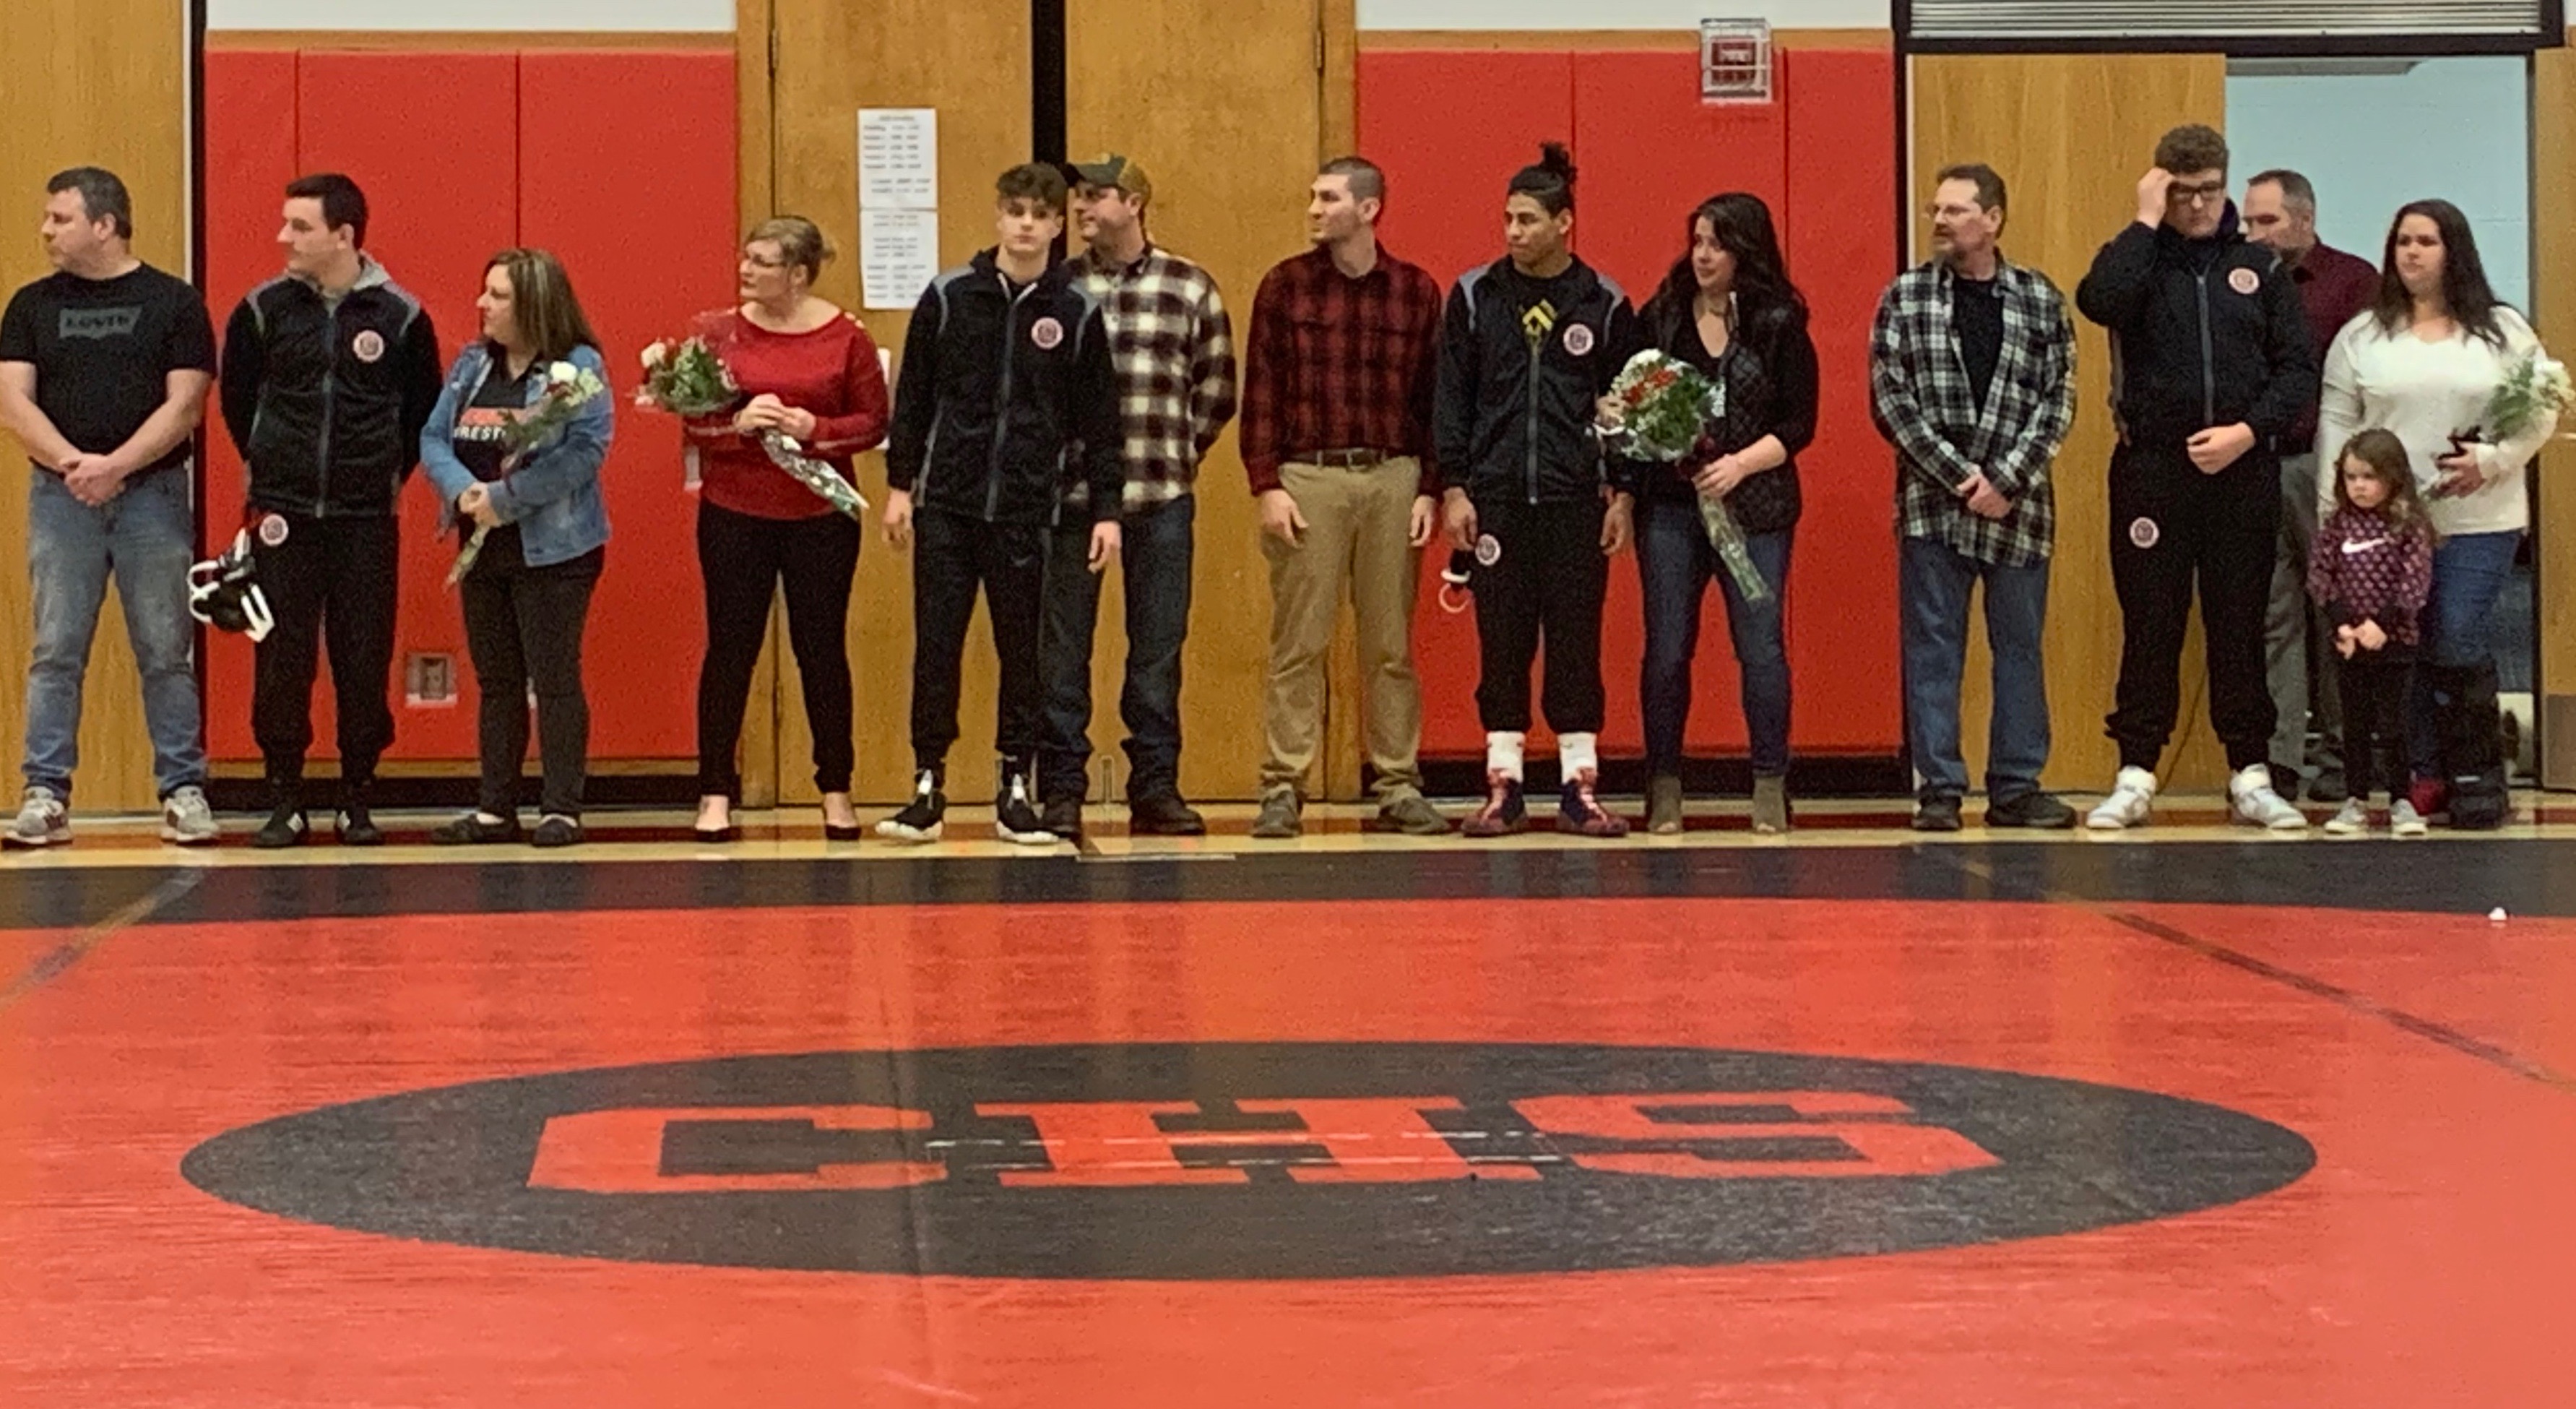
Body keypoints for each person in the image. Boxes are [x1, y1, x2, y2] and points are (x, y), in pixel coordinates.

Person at [2073, 125, 2316, 832]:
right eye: (2184, 194)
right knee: (2149, 622)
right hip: (2151, 468)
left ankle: (2249, 772)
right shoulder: (2134, 260)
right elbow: (2097, 302)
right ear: (2162, 189)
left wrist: (2246, 433)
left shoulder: (2259, 269)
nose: (2200, 205)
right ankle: (2135, 772)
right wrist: (2143, 222)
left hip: (2241, 469)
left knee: (2238, 623)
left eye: (2211, 190)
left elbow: (2295, 368)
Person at [881, 163, 1121, 845]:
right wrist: (902, 487)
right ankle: (927, 783)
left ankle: (1015, 785)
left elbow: (1100, 420)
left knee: (1023, 652)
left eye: (1039, 215)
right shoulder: (951, 295)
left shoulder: (1076, 310)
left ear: (1056, 225)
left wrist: (1107, 508)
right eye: (1014, 211)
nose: (1025, 225)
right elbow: (916, 398)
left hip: (1025, 508)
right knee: (937, 645)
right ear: (997, 216)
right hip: (948, 505)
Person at [2315, 199, 2557, 831]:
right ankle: (2421, 776)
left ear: (2455, 250)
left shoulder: (2502, 330)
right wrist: (2331, 512)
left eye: (2426, 241)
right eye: (2402, 242)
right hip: (2386, 527)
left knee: (2454, 635)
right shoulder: (2364, 336)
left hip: (2480, 517)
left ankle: (2477, 772)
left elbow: (2543, 406)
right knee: (2402, 646)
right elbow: (2337, 425)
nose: (2412, 253)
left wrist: (2496, 458)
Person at [219, 173, 441, 848]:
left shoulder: (401, 316)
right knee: (281, 657)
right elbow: (237, 404)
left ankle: (357, 795)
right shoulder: (262, 310)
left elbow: (420, 414)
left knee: (363, 655)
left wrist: (374, 479)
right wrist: (275, 468)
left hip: (365, 518)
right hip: (282, 516)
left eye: (301, 226)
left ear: (344, 236)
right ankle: (284, 796)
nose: (284, 237)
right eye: (285, 223)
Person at [0, 168, 217, 848]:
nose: (46, 230)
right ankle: (45, 795)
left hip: (151, 497)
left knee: (165, 649)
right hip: (62, 499)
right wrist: (75, 465)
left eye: (60, 218)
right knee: (56, 650)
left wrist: (117, 466)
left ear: (105, 223)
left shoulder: (174, 303)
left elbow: (185, 405)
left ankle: (183, 791)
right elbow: (13, 402)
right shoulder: (30, 306)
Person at [1239, 155, 1448, 840]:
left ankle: (1397, 780)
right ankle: (1282, 785)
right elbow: (1262, 395)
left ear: (1369, 209)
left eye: (1328, 198)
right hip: (1309, 478)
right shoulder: (1285, 287)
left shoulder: (1416, 291)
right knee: (1299, 641)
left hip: (1392, 476)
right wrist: (1267, 483)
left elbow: (1433, 399)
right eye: (1313, 197)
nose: (1314, 208)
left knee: (1389, 643)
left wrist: (1429, 486)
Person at [1436, 142, 1640, 839]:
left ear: (1564, 224)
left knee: (1576, 643)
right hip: (1494, 501)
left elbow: (1628, 410)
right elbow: (1451, 401)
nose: (1513, 233)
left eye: (1527, 220)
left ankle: (1580, 789)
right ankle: (1504, 786)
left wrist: (1623, 495)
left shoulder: (1605, 303)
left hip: (1576, 501)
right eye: (1507, 220)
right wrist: (1455, 488)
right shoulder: (1474, 296)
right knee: (1502, 645)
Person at [1871, 163, 2078, 832]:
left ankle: (2016, 785)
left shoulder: (2041, 300)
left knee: (2019, 647)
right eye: (1936, 209)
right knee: (1934, 648)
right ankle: (1939, 788)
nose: (1940, 220)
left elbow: (2059, 400)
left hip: (2020, 510)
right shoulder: (1904, 299)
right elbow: (1891, 403)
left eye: (1957, 210)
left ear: (1993, 219)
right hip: (1936, 506)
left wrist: (2006, 481)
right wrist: (1963, 479)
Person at [1042, 154, 1237, 840]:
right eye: (1080, 198)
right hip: (1073, 498)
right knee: (1063, 649)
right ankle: (1061, 788)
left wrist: (1178, 451)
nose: (1082, 209)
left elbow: (1216, 390)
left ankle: (1154, 786)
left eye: (1096, 196)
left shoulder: (1188, 286)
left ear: (1135, 202)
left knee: (1157, 648)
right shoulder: (1060, 287)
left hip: (1161, 493)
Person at [681, 217, 889, 843]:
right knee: (730, 650)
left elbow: (873, 424)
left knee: (820, 651)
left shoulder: (846, 337)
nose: (746, 271)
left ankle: (836, 789)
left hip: (818, 518)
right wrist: (738, 422)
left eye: (763, 262)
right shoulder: (716, 333)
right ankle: (715, 791)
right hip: (735, 512)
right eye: (745, 258)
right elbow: (694, 424)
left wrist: (813, 430)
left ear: (797, 274)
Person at [1628, 191, 1816, 835]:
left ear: (1747, 250)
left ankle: (1769, 783)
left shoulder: (1779, 320)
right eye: (1698, 241)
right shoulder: (1662, 315)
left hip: (1756, 509)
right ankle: (1664, 784)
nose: (1703, 255)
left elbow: (1800, 421)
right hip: (1673, 509)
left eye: (1717, 244)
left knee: (1760, 646)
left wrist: (1738, 464)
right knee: (1667, 648)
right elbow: (1631, 394)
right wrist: (1626, 422)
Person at [418, 249, 613, 848]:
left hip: (555, 549)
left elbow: (586, 451)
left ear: (533, 302)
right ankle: (495, 807)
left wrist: (509, 496)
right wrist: (464, 492)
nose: (482, 305)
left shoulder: (578, 367)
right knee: (497, 680)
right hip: (484, 543)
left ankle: (561, 808)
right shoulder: (474, 364)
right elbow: (433, 436)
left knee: (553, 678)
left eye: (497, 295)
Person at [2242, 169, 2378, 805]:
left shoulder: (2352, 283)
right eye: (2249, 221)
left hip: (2327, 468)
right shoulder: (2239, 280)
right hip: (2256, 463)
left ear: (2304, 216)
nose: (2254, 233)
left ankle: (2345, 753)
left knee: (2338, 613)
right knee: (2274, 615)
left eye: (2266, 220)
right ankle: (2282, 757)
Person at [2306, 429, 2433, 837]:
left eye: (2369, 477)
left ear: (2393, 477)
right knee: (2354, 724)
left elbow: (2414, 582)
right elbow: (2321, 575)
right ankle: (2355, 798)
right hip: (2349, 645)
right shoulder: (2338, 525)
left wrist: (2383, 624)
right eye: (2351, 477)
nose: (2359, 486)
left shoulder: (2408, 524)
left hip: (2395, 642)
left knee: (2394, 724)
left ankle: (2401, 799)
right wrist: (2342, 623)